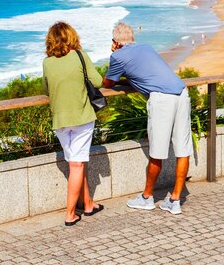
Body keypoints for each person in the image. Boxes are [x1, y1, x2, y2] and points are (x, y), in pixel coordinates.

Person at [103, 22, 193, 215]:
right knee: (183, 149)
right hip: (181, 92)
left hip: (162, 99)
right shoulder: (146, 47)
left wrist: (116, 56)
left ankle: (147, 198)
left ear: (115, 42)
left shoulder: (117, 55)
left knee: (157, 151)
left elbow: (108, 82)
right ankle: (175, 199)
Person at [43, 21, 104, 226]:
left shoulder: (47, 62)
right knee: (77, 164)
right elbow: (98, 81)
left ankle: (87, 204)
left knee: (76, 161)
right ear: (72, 37)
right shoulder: (80, 56)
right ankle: (70, 214)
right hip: (81, 117)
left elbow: (46, 89)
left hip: (60, 119)